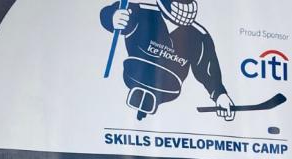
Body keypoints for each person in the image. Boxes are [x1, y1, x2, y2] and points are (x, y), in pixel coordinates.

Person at [100, 0, 235, 120]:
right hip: (134, 74)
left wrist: (220, 94)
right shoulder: (140, 12)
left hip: (170, 87)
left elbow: (207, 68)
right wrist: (113, 17)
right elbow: (111, 11)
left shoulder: (199, 35)